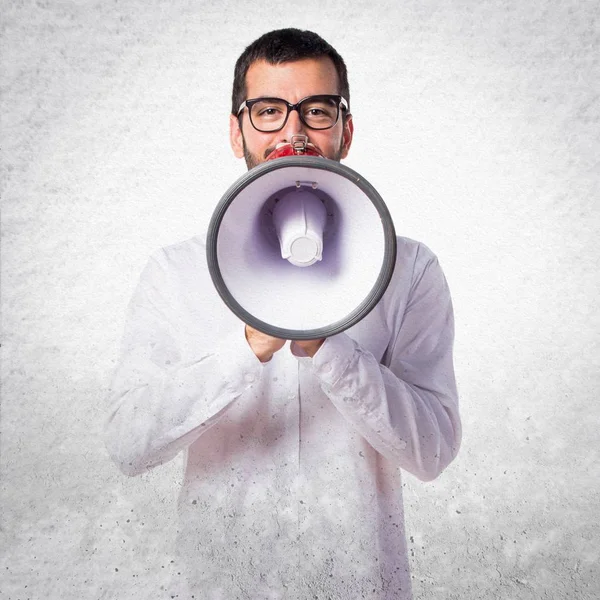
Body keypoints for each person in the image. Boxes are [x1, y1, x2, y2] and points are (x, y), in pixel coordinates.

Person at [105, 28, 461, 600]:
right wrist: (246, 347)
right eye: (269, 110)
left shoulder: (409, 269)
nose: (293, 131)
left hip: (359, 582)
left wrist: (332, 349)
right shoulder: (175, 273)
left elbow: (433, 452)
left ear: (346, 129)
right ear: (235, 129)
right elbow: (129, 445)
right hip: (221, 584)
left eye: (316, 110)